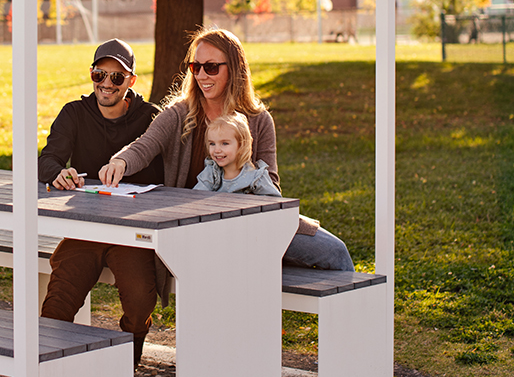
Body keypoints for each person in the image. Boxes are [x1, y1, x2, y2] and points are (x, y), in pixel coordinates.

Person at [99, 27, 354, 272]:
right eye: (195, 67)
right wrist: (120, 161)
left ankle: (354, 315)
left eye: (210, 67)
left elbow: (272, 185)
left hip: (252, 223)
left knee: (336, 251)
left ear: (233, 69)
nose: (201, 75)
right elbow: (145, 145)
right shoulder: (179, 114)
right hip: (197, 226)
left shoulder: (258, 119)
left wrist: (241, 178)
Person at [38, 39, 164, 366]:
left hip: (132, 233)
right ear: (92, 75)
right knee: (56, 307)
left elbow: (169, 176)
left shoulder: (151, 117)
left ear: (131, 81)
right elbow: (48, 159)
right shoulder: (74, 113)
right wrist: (58, 174)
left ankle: (129, 357)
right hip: (87, 228)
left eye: (116, 77)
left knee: (138, 305)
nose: (106, 84)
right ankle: (51, 369)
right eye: (99, 75)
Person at [194, 112, 281, 196]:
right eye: (212, 144)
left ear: (241, 145)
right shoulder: (211, 173)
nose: (217, 150)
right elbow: (197, 196)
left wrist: (252, 202)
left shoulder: (256, 178)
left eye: (224, 143)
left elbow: (274, 202)